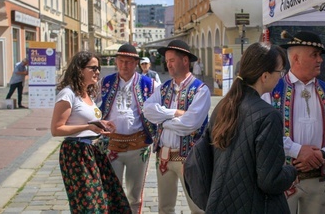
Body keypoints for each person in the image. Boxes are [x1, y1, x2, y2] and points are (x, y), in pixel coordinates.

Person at [201, 43, 297, 212]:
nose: (280, 77)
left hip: (220, 203)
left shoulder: (223, 105)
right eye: (280, 72)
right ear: (265, 76)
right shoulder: (269, 116)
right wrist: (292, 172)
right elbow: (270, 180)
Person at [266, 31, 325, 214]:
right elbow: (264, 134)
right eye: (314, 55)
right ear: (296, 59)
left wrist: (322, 154)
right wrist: (296, 150)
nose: (320, 60)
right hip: (282, 180)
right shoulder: (272, 92)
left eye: (320, 55)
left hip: (320, 181)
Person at [50, 51, 131, 213]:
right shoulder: (68, 94)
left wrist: (101, 124)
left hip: (95, 152)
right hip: (77, 153)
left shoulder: (87, 93)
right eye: (93, 68)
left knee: (111, 199)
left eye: (98, 68)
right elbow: (56, 129)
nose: (97, 72)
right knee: (89, 204)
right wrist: (87, 127)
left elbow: (85, 119)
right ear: (79, 70)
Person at [143, 40, 211, 214]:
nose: (168, 64)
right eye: (167, 61)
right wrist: (174, 113)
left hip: (190, 158)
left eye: (172, 60)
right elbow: (147, 110)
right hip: (164, 157)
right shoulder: (164, 88)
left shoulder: (200, 90)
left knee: (198, 208)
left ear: (185, 60)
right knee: (165, 208)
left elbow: (189, 124)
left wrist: (162, 121)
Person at [97, 44, 157, 213]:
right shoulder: (105, 82)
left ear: (136, 63)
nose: (124, 65)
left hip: (138, 146)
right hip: (111, 146)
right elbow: (91, 106)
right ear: (116, 61)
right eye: (121, 61)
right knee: (111, 192)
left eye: (129, 62)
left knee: (134, 195)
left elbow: (159, 110)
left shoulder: (149, 84)